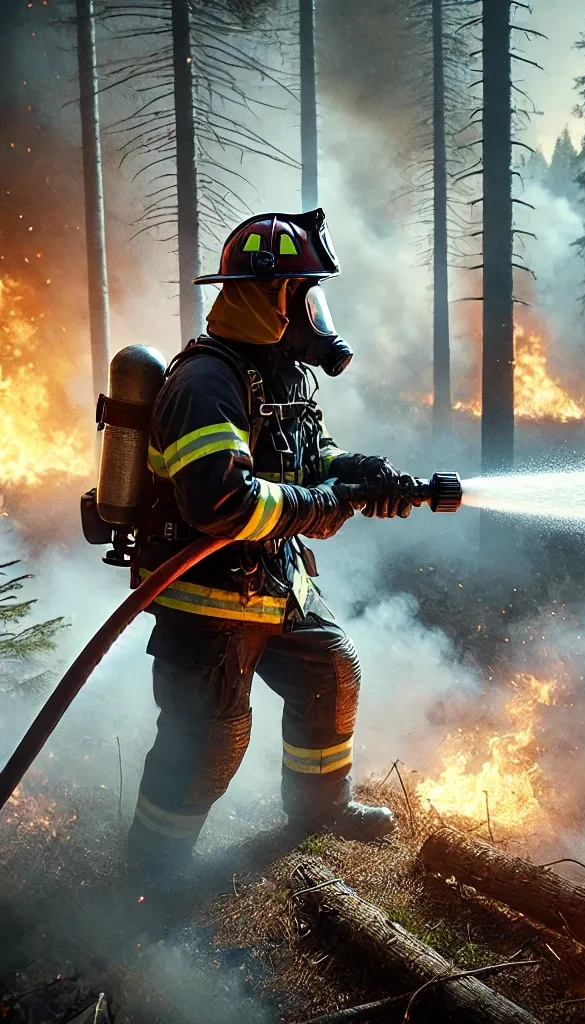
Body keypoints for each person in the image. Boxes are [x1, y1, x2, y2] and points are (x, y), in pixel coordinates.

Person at [126, 209, 407, 881]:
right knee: (210, 744)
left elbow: (310, 456)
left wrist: (359, 474)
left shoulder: (277, 373)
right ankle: (150, 879)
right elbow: (219, 499)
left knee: (331, 673)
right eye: (304, 292)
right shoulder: (205, 383)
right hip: (207, 598)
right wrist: (316, 507)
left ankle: (319, 809)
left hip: (272, 584)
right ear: (268, 294)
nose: (315, 310)